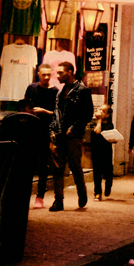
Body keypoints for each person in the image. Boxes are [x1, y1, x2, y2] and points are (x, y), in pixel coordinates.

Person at [51, 60, 92, 211]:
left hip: (74, 136)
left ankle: (81, 192)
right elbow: (56, 113)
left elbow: (88, 114)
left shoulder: (82, 90)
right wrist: (53, 131)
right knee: (57, 168)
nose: (58, 75)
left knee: (75, 165)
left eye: (61, 72)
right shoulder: (60, 92)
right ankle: (58, 200)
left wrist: (74, 128)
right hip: (60, 134)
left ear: (70, 72)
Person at [24, 63, 59, 206]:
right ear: (38, 74)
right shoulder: (32, 88)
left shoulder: (55, 91)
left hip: (46, 130)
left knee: (43, 164)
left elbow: (57, 113)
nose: (46, 77)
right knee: (28, 162)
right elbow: (24, 106)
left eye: (48, 75)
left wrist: (44, 111)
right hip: (31, 129)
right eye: (43, 74)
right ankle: (24, 194)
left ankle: (40, 196)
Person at [89, 96, 116, 200]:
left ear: (108, 115)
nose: (100, 111)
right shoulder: (94, 124)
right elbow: (97, 131)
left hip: (106, 152)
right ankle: (97, 192)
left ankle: (108, 187)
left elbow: (111, 136)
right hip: (96, 152)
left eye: (103, 111)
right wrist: (98, 120)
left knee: (108, 172)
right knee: (97, 173)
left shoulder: (110, 125)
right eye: (99, 109)